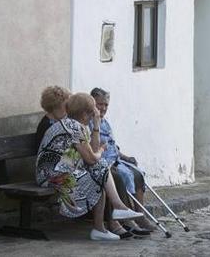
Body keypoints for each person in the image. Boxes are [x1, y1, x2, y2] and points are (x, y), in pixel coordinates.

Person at [35, 92, 144, 241]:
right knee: (98, 168)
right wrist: (100, 151)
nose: (97, 112)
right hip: (50, 175)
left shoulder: (80, 126)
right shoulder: (72, 126)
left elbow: (91, 153)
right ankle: (115, 210)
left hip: (64, 169)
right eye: (94, 110)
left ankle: (104, 224)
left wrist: (96, 127)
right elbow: (92, 158)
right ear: (86, 114)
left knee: (99, 172)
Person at [89, 87, 155, 236]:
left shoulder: (105, 122)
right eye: (100, 104)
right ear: (92, 104)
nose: (103, 108)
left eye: (106, 105)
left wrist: (124, 157)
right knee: (118, 178)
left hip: (114, 159)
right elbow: (94, 148)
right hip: (101, 162)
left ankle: (140, 215)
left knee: (137, 174)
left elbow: (112, 145)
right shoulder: (91, 122)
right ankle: (122, 220)